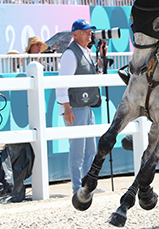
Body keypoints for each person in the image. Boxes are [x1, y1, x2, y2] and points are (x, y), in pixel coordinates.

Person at [55, 19, 107, 195]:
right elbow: (62, 83)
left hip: (86, 106)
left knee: (90, 148)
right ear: (75, 34)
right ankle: (77, 187)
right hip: (75, 107)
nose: (89, 34)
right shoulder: (71, 54)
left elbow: (94, 75)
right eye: (85, 32)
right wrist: (66, 107)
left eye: (89, 31)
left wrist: (101, 57)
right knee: (78, 149)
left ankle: (87, 184)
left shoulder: (86, 51)